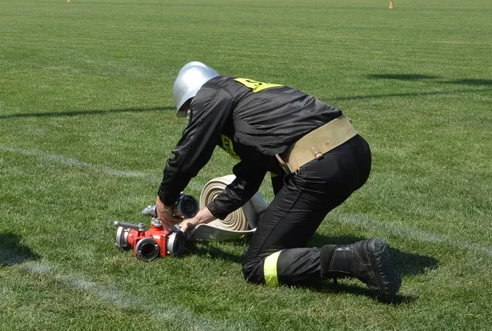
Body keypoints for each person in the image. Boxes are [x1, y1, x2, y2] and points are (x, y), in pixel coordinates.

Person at [153, 62, 401, 302]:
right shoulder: (245, 98)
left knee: (256, 265)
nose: (190, 118)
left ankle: (357, 259)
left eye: (188, 112)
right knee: (286, 244)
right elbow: (248, 179)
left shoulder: (211, 93)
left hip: (321, 164)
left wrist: (165, 200)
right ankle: (297, 243)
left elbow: (188, 153)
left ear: (192, 99)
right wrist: (196, 220)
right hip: (352, 153)